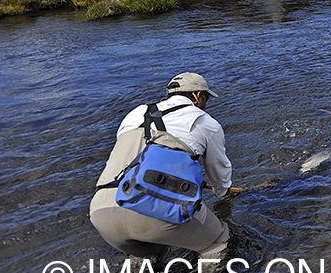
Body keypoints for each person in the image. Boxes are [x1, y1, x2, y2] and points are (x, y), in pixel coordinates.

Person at [90, 72, 244, 261]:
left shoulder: (135, 113)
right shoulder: (205, 122)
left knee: (148, 251)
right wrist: (223, 193)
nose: (205, 105)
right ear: (197, 97)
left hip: (101, 212)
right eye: (206, 99)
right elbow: (219, 176)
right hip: (152, 211)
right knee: (218, 241)